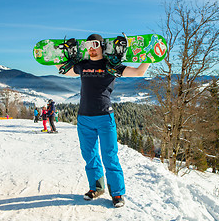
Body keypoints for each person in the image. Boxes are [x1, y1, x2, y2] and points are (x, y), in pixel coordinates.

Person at [57, 33, 150, 208]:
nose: (91, 48)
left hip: (104, 118)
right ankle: (96, 188)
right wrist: (59, 56)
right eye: (88, 45)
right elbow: (62, 70)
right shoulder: (82, 66)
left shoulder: (111, 66)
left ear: (102, 46)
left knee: (110, 156)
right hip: (84, 117)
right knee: (89, 156)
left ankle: (117, 194)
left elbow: (139, 71)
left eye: (95, 44)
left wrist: (149, 56)